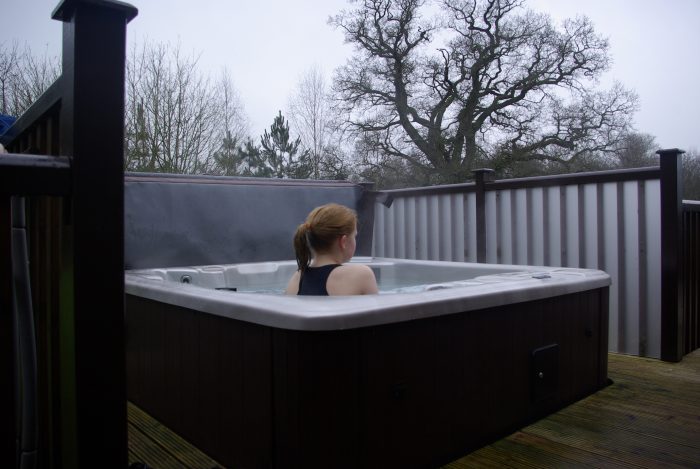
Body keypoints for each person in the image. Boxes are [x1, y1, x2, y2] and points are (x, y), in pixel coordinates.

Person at [285, 203, 378, 296]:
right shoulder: (361, 275)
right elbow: (378, 310)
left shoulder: (296, 279)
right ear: (344, 242)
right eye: (354, 236)